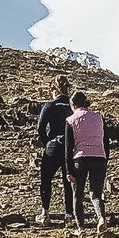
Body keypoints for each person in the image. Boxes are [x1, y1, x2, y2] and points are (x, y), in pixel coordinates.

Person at [64, 90, 109, 234]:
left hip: (80, 159)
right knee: (96, 193)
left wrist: (68, 170)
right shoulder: (98, 118)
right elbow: (105, 141)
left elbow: (68, 148)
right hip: (99, 157)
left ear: (73, 104)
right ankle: (101, 217)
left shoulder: (71, 120)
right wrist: (105, 159)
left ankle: (81, 228)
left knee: (78, 194)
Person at [35, 75, 74, 226]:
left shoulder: (50, 105)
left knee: (46, 179)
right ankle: (69, 214)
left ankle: (45, 212)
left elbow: (40, 127)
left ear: (53, 89)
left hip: (53, 145)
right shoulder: (72, 106)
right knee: (68, 180)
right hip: (69, 147)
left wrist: (46, 143)